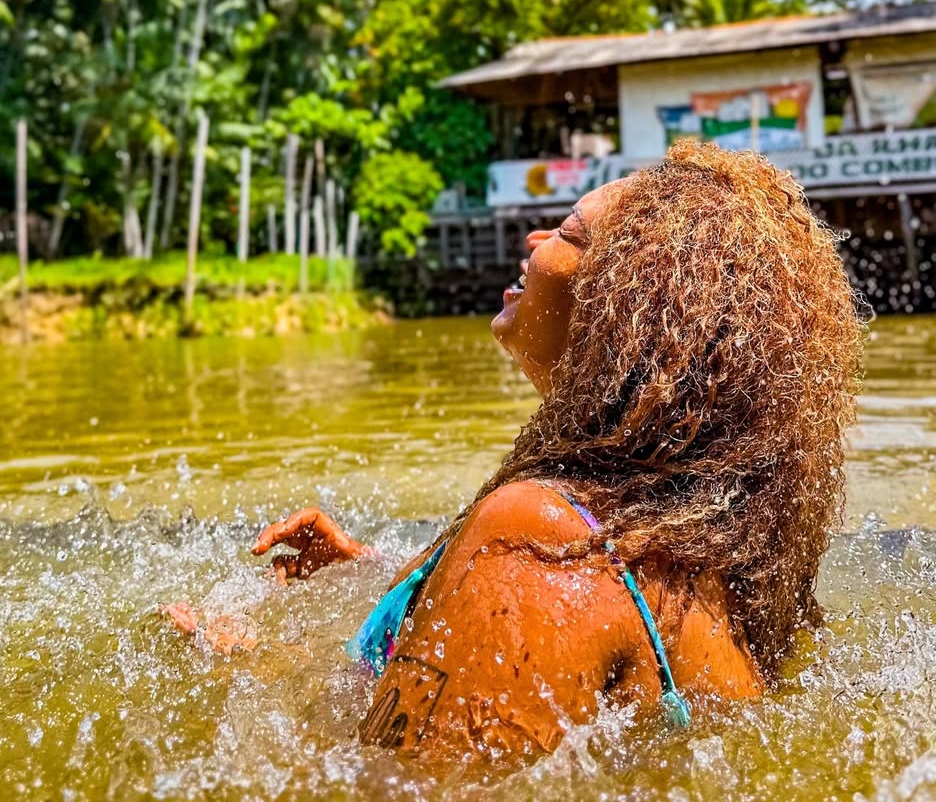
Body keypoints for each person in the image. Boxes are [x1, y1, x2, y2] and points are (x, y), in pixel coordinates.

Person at [165, 141, 864, 758]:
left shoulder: (536, 543)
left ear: (634, 314)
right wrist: (385, 583)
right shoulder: (690, 550)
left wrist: (254, 669)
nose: (534, 238)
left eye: (567, 232)